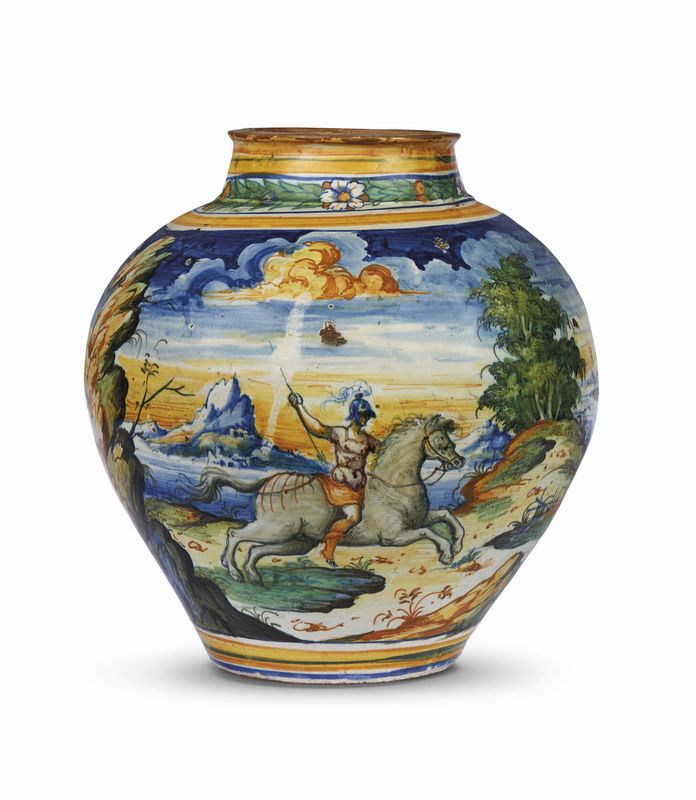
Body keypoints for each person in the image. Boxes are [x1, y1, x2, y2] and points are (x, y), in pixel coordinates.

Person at [288, 390, 379, 566]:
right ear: (355, 415)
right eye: (363, 415)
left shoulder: (368, 440)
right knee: (353, 518)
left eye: (367, 415)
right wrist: (299, 406)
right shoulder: (340, 433)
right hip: (340, 486)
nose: (366, 418)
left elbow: (386, 449)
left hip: (358, 489)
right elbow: (317, 428)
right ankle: (327, 550)